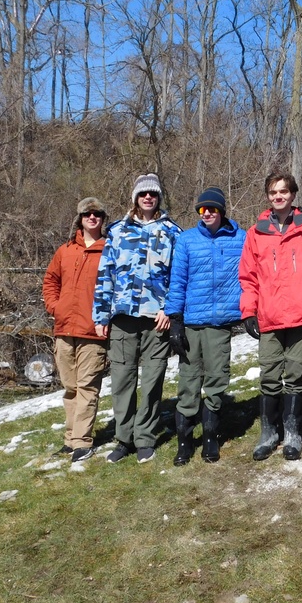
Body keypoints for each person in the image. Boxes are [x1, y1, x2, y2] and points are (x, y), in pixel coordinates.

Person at [93, 173, 181, 464]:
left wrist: (169, 308)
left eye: (153, 194)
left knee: (153, 380)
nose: (147, 198)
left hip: (157, 319)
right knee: (121, 381)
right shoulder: (117, 231)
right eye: (143, 194)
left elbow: (179, 277)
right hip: (122, 318)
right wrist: (101, 314)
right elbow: (105, 275)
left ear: (158, 198)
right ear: (135, 197)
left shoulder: (172, 232)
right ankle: (124, 439)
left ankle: (145, 438)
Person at [239, 172, 302, 461]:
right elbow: (248, 277)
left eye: (284, 192)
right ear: (267, 196)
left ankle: (292, 432)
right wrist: (249, 310)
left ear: (293, 194)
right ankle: (268, 432)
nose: (279, 196)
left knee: (296, 374)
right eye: (274, 192)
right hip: (270, 315)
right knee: (269, 375)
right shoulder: (255, 233)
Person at [163, 187, 246, 466]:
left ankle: (211, 437)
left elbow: (251, 274)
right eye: (202, 209)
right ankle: (184, 441)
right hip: (191, 323)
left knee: (216, 378)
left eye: (212, 208)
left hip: (221, 322)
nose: (207, 213)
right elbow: (178, 281)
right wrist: (175, 320)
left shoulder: (241, 238)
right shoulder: (186, 240)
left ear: (222, 211)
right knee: (188, 381)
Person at [42, 197, 109, 463]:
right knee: (70, 388)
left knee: (87, 387)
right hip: (64, 329)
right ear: (79, 219)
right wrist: (54, 306)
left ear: (103, 219)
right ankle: (70, 440)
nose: (92, 218)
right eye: (87, 214)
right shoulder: (65, 250)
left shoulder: (110, 250)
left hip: (92, 332)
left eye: (97, 214)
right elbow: (50, 280)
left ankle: (83, 441)